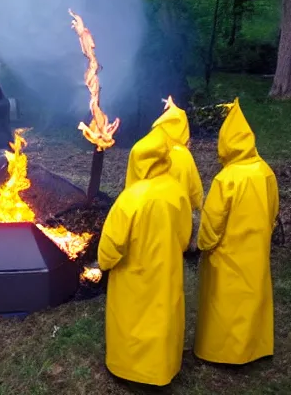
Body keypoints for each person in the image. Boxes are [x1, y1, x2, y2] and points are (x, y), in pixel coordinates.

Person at [98, 127, 192, 386]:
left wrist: (104, 265)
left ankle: (131, 370)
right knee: (163, 318)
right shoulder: (176, 190)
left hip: (134, 275)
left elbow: (110, 246)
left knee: (134, 320)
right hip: (167, 271)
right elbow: (185, 236)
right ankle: (163, 368)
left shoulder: (131, 198)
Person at [194, 97, 279, 364]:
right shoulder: (265, 171)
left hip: (227, 253)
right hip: (256, 248)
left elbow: (213, 221)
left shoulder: (227, 178)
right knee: (253, 297)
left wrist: (204, 245)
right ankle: (254, 348)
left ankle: (223, 352)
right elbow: (274, 209)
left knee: (225, 304)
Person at [151, 96, 203, 212]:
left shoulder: (153, 150)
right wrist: (197, 203)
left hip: (154, 209)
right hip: (180, 211)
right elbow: (195, 188)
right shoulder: (185, 155)